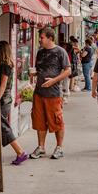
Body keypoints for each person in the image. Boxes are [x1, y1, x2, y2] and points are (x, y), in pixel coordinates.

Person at [30, 27, 71, 160]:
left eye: (41, 38)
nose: (40, 40)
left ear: (50, 38)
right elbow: (40, 69)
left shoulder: (60, 52)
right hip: (39, 92)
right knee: (39, 121)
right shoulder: (40, 52)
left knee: (56, 120)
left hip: (53, 93)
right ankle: (41, 147)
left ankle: (59, 148)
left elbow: (68, 71)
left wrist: (53, 80)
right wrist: (35, 73)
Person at [0, 41, 28, 165]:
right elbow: (0, 81)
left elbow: (2, 85)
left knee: (4, 127)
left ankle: (20, 152)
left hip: (2, 101)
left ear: (0, 52)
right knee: (1, 127)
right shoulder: (6, 65)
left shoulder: (5, 66)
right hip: (5, 100)